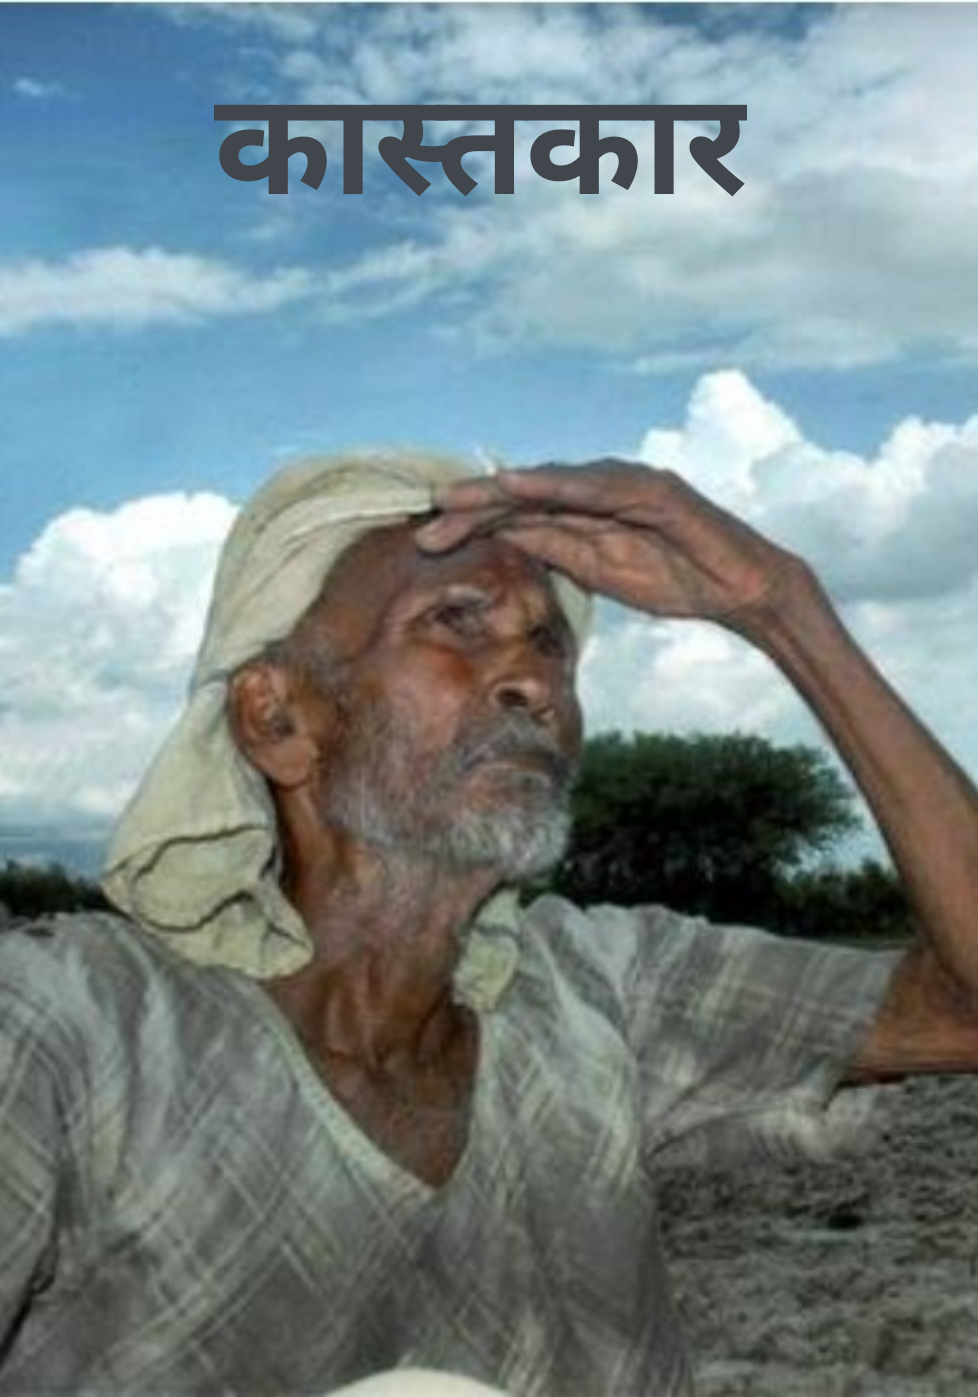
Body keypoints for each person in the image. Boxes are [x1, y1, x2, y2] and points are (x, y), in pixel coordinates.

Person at [2, 449, 978, 1397]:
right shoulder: (68, 1028)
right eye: (455, 619)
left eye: (551, 644)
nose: (535, 682)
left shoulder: (608, 987)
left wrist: (783, 606)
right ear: (278, 719)